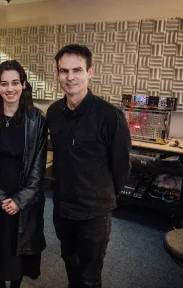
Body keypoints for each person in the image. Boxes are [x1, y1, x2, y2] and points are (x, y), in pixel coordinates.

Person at [47, 44, 131, 288]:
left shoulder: (109, 115)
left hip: (94, 213)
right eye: (64, 71)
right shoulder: (53, 112)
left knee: (90, 276)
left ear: (90, 72)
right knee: (69, 262)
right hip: (62, 208)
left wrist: (103, 197)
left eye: (77, 70)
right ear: (58, 74)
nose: (70, 77)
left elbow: (122, 167)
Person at [0, 60, 47, 288]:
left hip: (25, 198)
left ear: (23, 84)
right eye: (4, 84)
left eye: (15, 83)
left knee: (19, 253)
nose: (10, 89)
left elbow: (38, 166)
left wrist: (19, 200)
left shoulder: (36, 119)